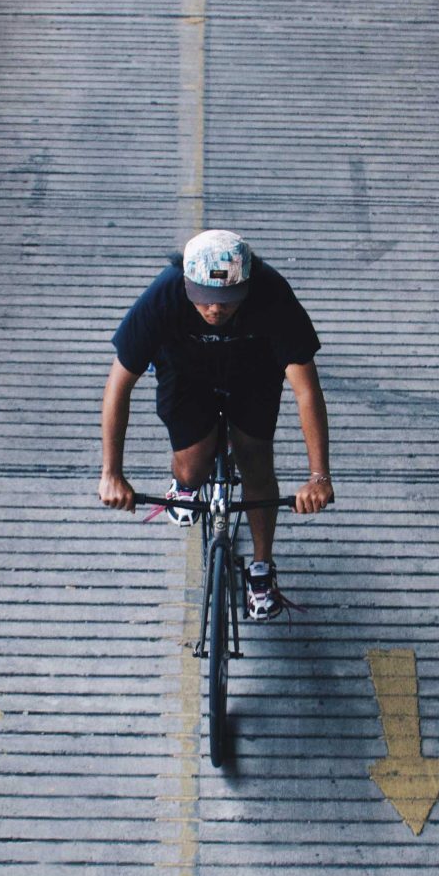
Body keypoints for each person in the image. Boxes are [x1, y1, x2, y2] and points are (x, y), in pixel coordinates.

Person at [99, 229, 333, 619]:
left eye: (226, 301)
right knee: (193, 464)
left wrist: (319, 476)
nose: (214, 311)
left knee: (256, 461)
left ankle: (261, 567)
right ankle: (185, 483)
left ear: (247, 285)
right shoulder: (164, 294)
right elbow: (118, 386)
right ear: (187, 285)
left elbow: (306, 389)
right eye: (204, 300)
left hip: (253, 373)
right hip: (186, 374)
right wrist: (112, 473)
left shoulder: (272, 293)